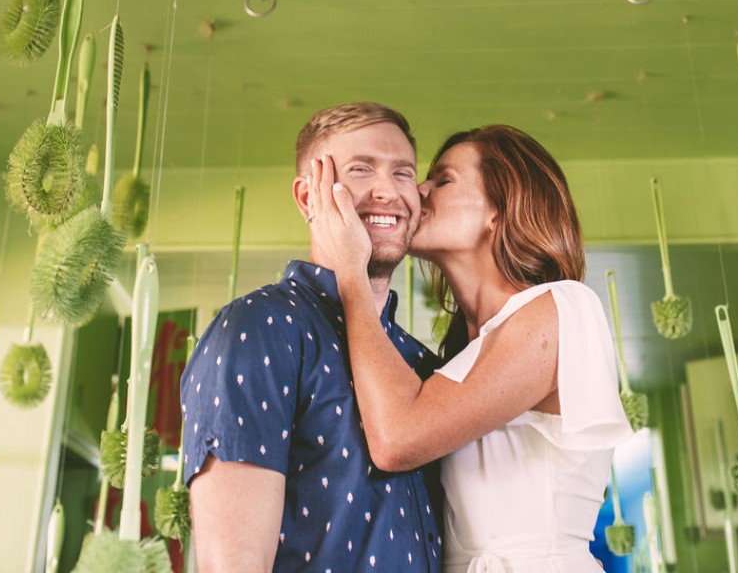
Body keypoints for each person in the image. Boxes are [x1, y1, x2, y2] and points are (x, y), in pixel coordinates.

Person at [306, 124, 634, 572]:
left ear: (498, 210)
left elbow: (397, 439)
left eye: (442, 180)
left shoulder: (561, 308)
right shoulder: (461, 356)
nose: (418, 190)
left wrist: (350, 269)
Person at [180, 102, 443, 572]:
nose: (388, 191)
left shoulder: (420, 363)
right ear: (308, 198)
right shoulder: (257, 329)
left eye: (403, 174)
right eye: (361, 170)